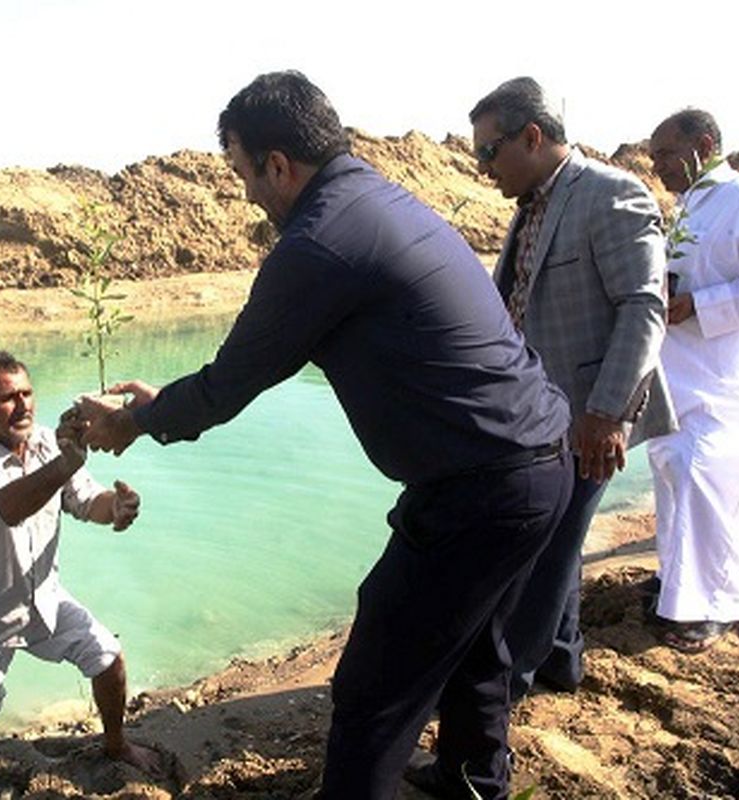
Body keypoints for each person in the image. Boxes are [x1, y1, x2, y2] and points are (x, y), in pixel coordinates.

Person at [79, 70, 574, 800]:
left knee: (375, 686)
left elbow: (229, 383)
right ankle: (474, 777)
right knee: (476, 645)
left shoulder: (316, 245)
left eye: (245, 174)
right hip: (537, 460)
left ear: (279, 164)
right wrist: (158, 409)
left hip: (484, 487)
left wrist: (135, 420)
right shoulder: (378, 198)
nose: (246, 192)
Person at [467, 77, 674, 700]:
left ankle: (512, 681)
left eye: (488, 152)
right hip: (537, 414)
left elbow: (644, 307)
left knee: (546, 550)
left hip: (587, 417)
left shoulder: (611, 195)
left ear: (533, 137)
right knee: (560, 542)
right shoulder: (532, 204)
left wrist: (606, 414)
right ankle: (561, 658)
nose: (482, 168)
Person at [0, 351, 160, 776]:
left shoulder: (46, 443)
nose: (22, 405)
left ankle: (116, 746)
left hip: (44, 600)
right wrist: (65, 463)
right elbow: (7, 508)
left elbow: (85, 499)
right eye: (7, 398)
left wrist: (117, 507)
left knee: (108, 658)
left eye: (27, 393)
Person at [645, 109, 739, 651]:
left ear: (703, 144)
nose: (658, 169)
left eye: (665, 156)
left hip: (728, 375)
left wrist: (699, 305)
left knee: (713, 483)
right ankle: (681, 589)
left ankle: (723, 601)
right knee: (675, 473)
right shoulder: (688, 205)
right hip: (682, 371)